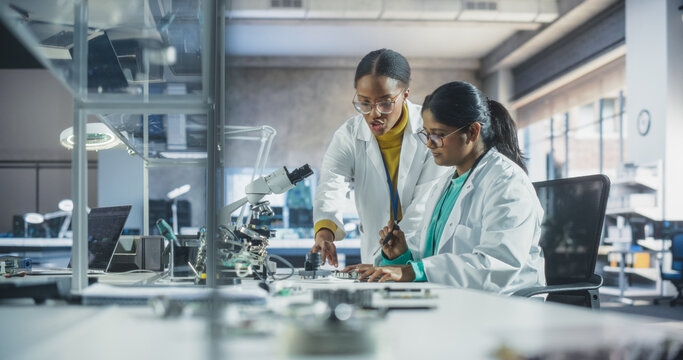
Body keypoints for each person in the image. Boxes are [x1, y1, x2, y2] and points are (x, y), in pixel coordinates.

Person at [345, 81, 545, 295]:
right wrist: (399, 257)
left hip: (506, 308)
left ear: (472, 132)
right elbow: (433, 258)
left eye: (438, 135)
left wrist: (411, 272)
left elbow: (498, 265)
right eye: (426, 134)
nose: (429, 144)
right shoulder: (445, 185)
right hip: (456, 301)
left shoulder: (507, 183)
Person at [311, 49, 447, 266]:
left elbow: (425, 204)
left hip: (421, 255)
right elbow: (331, 184)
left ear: (405, 94)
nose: (374, 113)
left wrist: (384, 261)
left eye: (385, 103)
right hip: (374, 255)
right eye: (364, 103)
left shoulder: (431, 131)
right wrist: (324, 232)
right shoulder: (349, 135)